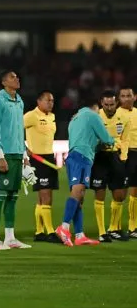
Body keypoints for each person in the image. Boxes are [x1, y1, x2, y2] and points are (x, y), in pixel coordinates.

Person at [56, 96, 115, 246]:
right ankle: (64, 227)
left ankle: (80, 235)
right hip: (82, 157)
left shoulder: (74, 119)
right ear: (94, 107)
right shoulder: (92, 115)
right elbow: (106, 138)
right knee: (78, 190)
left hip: (74, 156)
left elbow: (86, 139)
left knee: (79, 197)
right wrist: (112, 141)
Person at [0, 71, 35, 250]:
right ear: (3, 82)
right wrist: (0, 156)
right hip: (5, 154)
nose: (17, 79)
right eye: (12, 77)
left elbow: (18, 131)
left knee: (12, 197)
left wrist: (24, 156)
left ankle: (10, 237)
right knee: (0, 196)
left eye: (17, 77)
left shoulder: (19, 101)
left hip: (17, 153)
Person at [24, 90, 62, 244]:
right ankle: (50, 231)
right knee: (46, 196)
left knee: (43, 197)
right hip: (37, 159)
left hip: (49, 158)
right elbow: (14, 129)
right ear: (39, 101)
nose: (51, 103)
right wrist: (23, 148)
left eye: (52, 100)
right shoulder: (31, 116)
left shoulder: (51, 117)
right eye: (48, 100)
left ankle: (39, 232)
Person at [92, 90, 130, 242]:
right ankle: (102, 232)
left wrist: (123, 157)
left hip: (116, 157)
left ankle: (114, 228)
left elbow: (125, 139)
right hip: (100, 158)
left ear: (116, 104)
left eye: (112, 104)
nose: (109, 107)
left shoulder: (124, 117)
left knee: (119, 194)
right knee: (100, 194)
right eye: (106, 104)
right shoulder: (95, 117)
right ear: (102, 103)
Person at [117, 87, 137, 238]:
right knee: (120, 192)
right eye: (123, 96)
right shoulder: (116, 114)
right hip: (123, 155)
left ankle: (133, 226)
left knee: (135, 191)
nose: (126, 99)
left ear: (134, 97)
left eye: (128, 96)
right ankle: (114, 227)